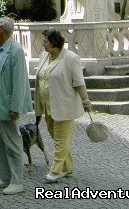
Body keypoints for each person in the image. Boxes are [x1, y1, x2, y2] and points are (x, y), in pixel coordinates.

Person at [0, 17, 32, 196]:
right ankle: (5, 177)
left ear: (1, 29)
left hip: (7, 102)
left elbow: (19, 82)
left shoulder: (15, 50)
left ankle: (17, 181)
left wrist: (15, 107)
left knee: (12, 141)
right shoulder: (1, 48)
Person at [34, 28, 92, 183]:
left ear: (53, 43)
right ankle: (67, 167)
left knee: (60, 140)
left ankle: (55, 171)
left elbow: (79, 82)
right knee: (58, 138)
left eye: (45, 41)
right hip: (47, 107)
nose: (43, 44)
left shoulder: (71, 58)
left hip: (64, 106)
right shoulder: (44, 56)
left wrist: (85, 101)